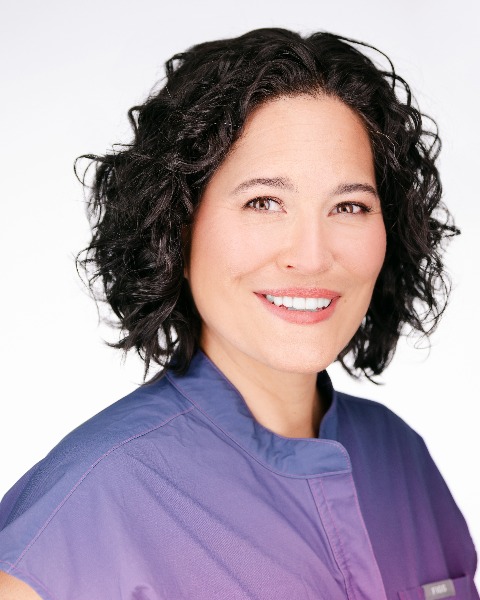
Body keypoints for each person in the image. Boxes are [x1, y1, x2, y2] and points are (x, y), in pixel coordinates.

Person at [0, 27, 477, 600]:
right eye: (264, 202)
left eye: (350, 206)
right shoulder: (89, 503)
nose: (312, 256)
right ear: (177, 228)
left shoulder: (401, 459)